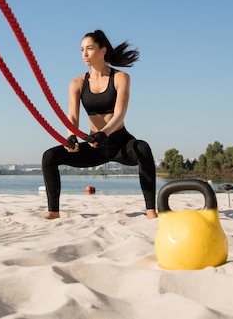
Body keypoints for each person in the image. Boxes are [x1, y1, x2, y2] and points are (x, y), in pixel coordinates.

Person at [41, 30, 157, 219]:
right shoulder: (77, 83)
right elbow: (72, 116)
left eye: (89, 49)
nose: (84, 54)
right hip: (95, 146)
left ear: (103, 50)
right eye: (81, 50)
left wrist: (104, 133)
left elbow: (119, 114)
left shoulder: (120, 78)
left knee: (142, 148)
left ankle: (151, 210)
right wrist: (70, 136)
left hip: (120, 143)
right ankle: (53, 211)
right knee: (49, 157)